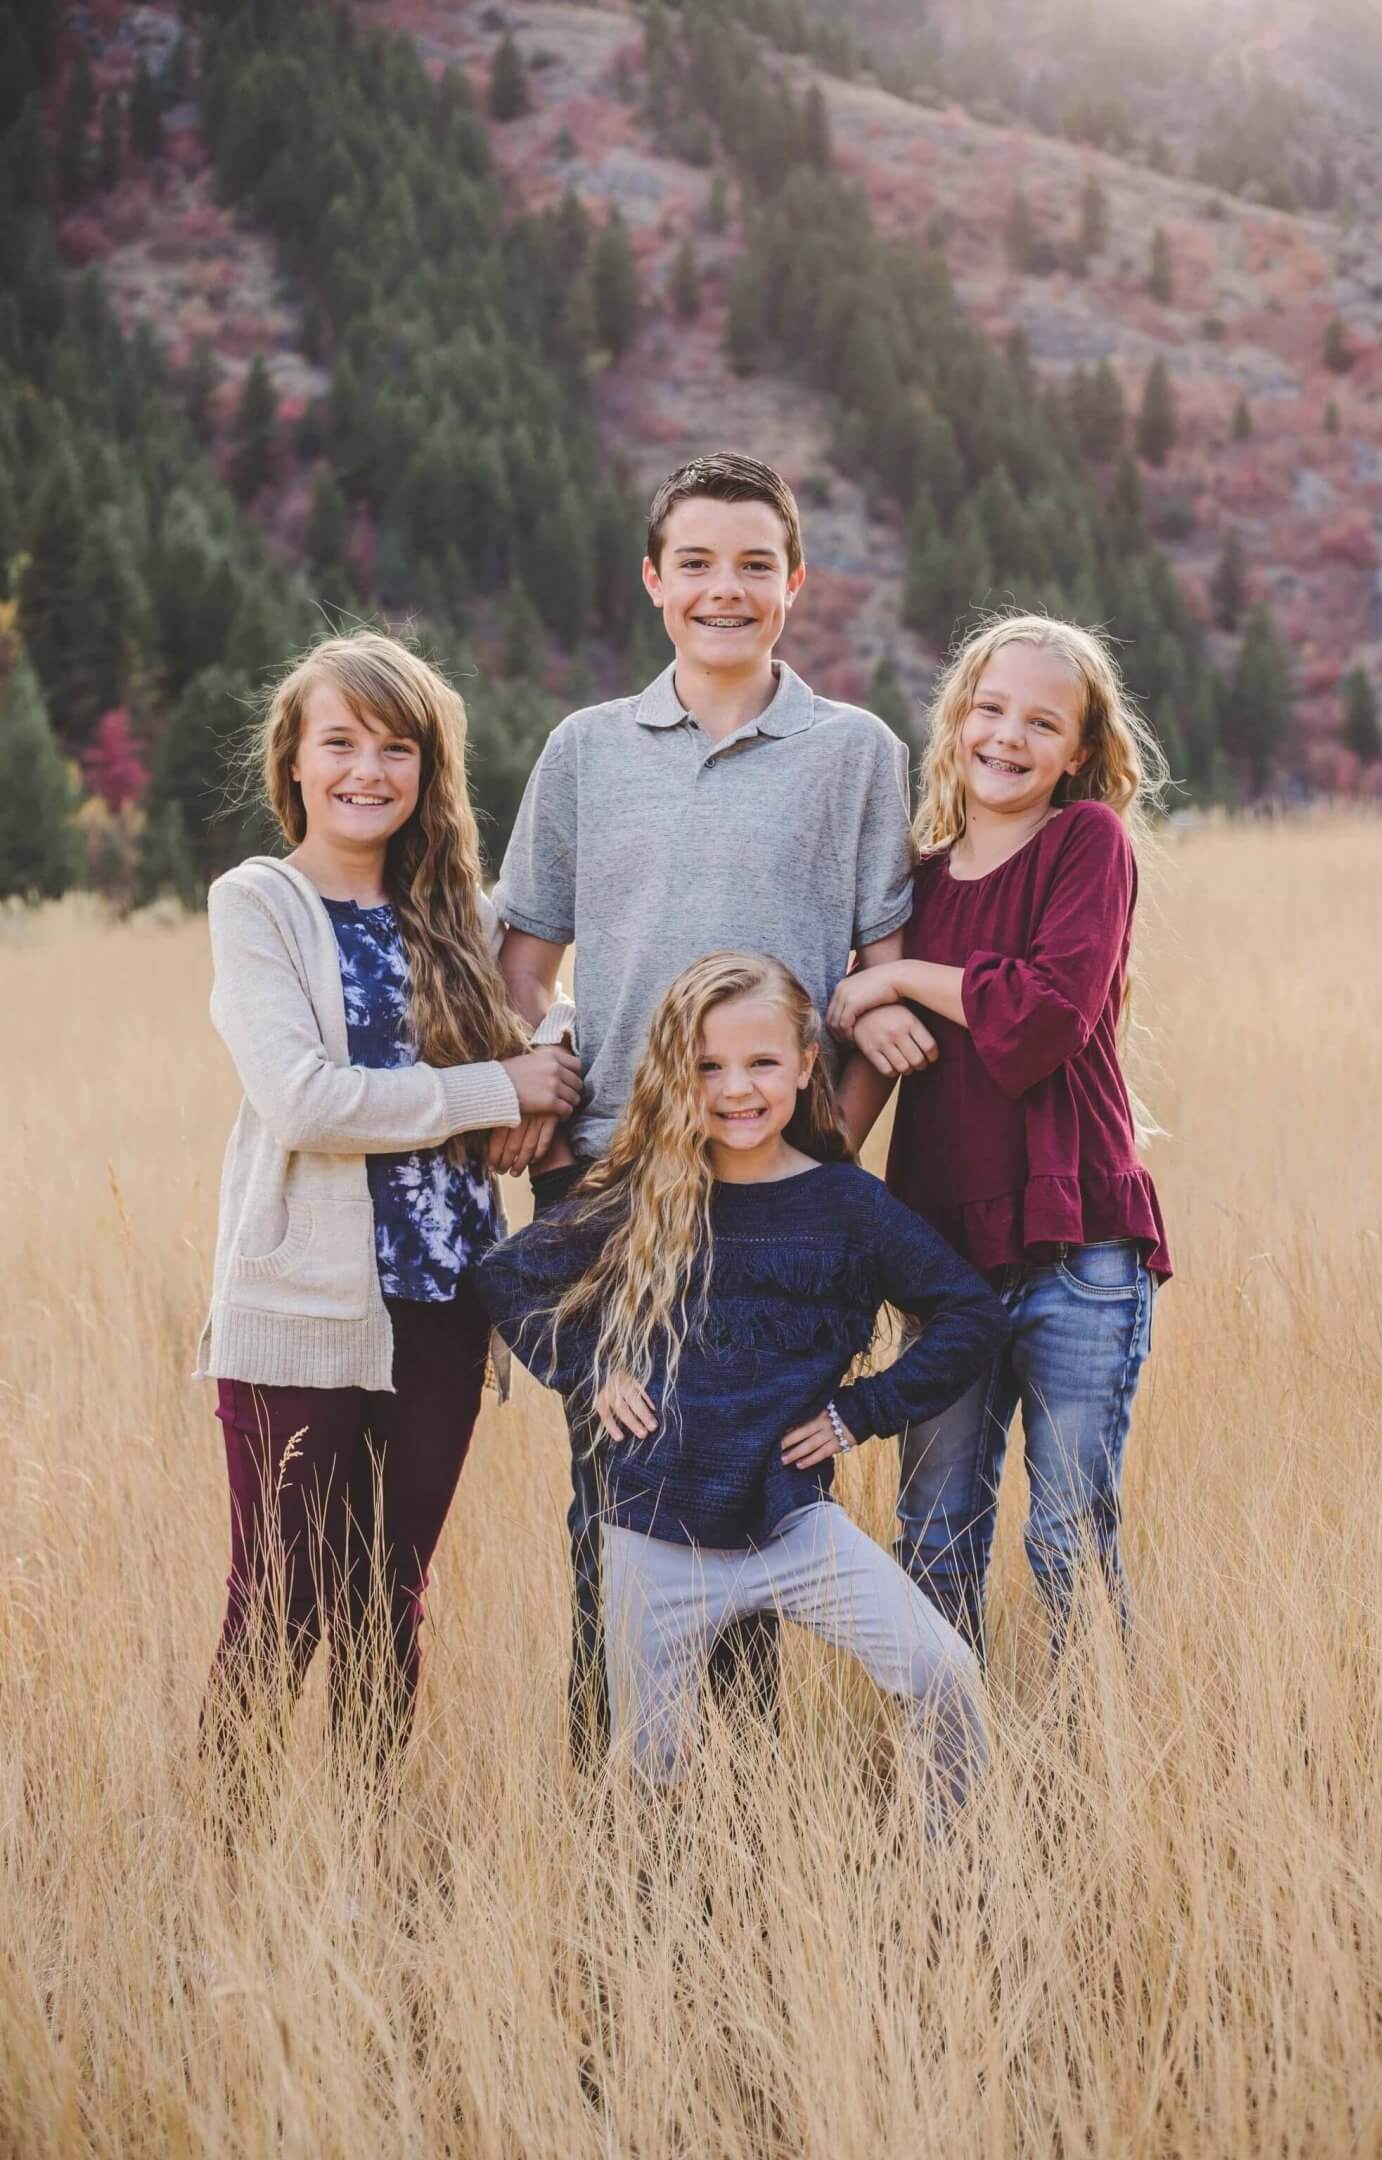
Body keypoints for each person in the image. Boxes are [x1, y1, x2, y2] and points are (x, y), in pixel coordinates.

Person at [490, 451, 925, 1752]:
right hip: (609, 1182)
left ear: (795, 582)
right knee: (613, 1493)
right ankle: (622, 1795)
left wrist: (829, 1167)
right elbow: (525, 955)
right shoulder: (586, 752)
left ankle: (743, 1832)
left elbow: (879, 981)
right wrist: (541, 1057)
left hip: (776, 1191)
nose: (724, 590)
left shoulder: (854, 754)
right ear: (653, 580)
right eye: (696, 563)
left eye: (753, 565)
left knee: (762, 1491)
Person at [477, 953, 1008, 1822]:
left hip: (794, 1526)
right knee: (654, 1781)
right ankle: (663, 1937)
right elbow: (506, 1281)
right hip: (656, 1534)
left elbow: (970, 1315)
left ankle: (955, 1881)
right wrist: (590, 1372)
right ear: (675, 1078)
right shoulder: (645, 1195)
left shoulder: (846, 1206)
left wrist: (857, 1412)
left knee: (944, 1674)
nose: (736, 1089)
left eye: (762, 1063)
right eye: (707, 1067)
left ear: (807, 1064)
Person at [195, 631, 579, 1759]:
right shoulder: (258, 902)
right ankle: (223, 1864)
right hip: (303, 1307)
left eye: (396, 748)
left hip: (448, 1306)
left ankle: (363, 1871)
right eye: (342, 742)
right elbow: (308, 1102)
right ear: (296, 762)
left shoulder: (460, 911)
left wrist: (541, 1074)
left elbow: (549, 1009)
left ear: (428, 771)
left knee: (386, 1603)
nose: (368, 770)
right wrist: (488, 1089)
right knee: (277, 1606)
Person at [831, 613, 1172, 1659]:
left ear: (1079, 751)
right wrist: (789, 1190)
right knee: (934, 1532)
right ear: (956, 721)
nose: (1007, 737)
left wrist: (888, 979)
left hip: (1082, 1249)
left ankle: (1108, 1781)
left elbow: (1041, 1017)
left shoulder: (1088, 845)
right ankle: (951, 1795)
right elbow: (863, 1091)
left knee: (1069, 1532)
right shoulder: (916, 887)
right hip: (942, 1262)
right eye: (989, 709)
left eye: (1041, 721)